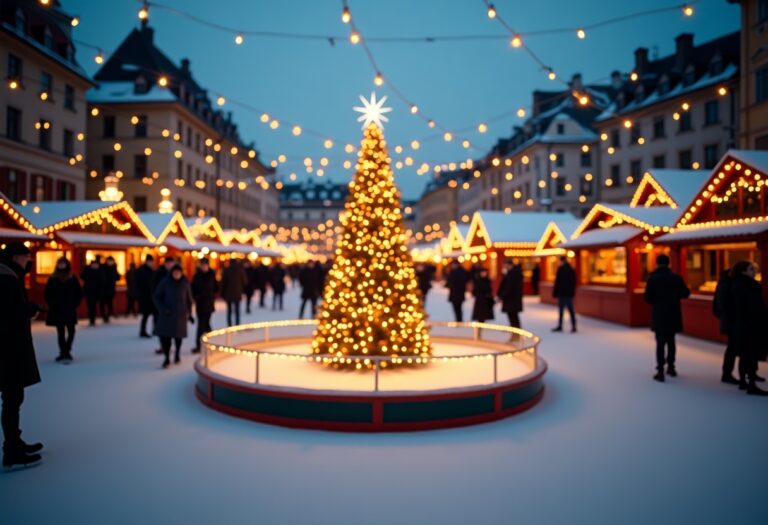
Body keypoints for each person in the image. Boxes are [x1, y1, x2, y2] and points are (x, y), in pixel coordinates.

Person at [0, 243, 44, 469]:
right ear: (17, 257)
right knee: (12, 398)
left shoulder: (9, 275)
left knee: (12, 398)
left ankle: (15, 443)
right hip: (9, 348)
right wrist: (27, 310)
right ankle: (12, 450)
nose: (29, 261)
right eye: (27, 257)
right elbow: (6, 314)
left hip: (10, 346)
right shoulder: (7, 278)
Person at [643, 254, 691, 382]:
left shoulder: (653, 279)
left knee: (660, 343)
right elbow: (686, 293)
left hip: (659, 315)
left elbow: (648, 298)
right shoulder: (676, 278)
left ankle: (660, 370)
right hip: (673, 314)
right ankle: (671, 367)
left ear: (657, 263)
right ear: (669, 263)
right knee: (671, 342)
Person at [726, 261, 768, 396]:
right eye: (751, 269)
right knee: (750, 354)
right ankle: (751, 384)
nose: (754, 271)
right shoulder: (747, 286)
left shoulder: (736, 284)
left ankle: (744, 381)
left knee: (745, 354)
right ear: (743, 271)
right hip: (750, 324)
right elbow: (752, 306)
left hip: (742, 324)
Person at [153, 264, 193, 368]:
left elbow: (189, 300)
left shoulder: (185, 283)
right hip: (167, 315)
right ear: (171, 273)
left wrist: (190, 314)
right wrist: (163, 309)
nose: (177, 275)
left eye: (178, 273)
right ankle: (167, 358)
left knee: (178, 338)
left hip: (180, 316)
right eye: (175, 273)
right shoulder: (165, 283)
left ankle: (177, 354)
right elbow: (157, 297)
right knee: (166, 338)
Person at [44, 257, 83, 363]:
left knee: (71, 331)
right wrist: (52, 304)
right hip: (57, 309)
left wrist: (74, 304)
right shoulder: (53, 278)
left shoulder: (72, 277)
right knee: (60, 332)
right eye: (59, 264)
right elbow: (47, 293)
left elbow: (79, 292)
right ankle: (63, 352)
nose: (61, 266)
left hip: (69, 308)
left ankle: (67, 350)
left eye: (63, 264)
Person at [713, 269, 741, 384]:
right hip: (732, 320)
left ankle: (728, 372)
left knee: (733, 347)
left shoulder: (724, 284)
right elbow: (724, 304)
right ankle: (727, 373)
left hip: (730, 320)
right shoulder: (726, 285)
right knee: (732, 347)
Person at [191, 258, 217, 354]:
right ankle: (203, 344)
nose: (203, 267)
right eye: (202, 265)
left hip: (209, 303)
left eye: (205, 265)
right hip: (200, 304)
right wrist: (196, 296)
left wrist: (211, 294)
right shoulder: (197, 276)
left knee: (205, 324)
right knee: (202, 325)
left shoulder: (212, 275)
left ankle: (211, 343)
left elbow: (216, 287)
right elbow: (192, 288)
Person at [497, 259, 523, 339]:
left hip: (512, 299)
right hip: (511, 299)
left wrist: (502, 296)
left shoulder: (513, 274)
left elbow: (509, 287)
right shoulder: (511, 273)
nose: (504, 267)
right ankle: (514, 333)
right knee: (512, 316)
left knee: (513, 317)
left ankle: (516, 335)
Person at [552, 256, 577, 333]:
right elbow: (574, 283)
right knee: (570, 310)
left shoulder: (561, 270)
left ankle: (561, 326)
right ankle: (573, 326)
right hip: (568, 294)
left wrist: (555, 292)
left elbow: (557, 282)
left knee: (562, 310)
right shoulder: (571, 269)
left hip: (562, 293)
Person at [220, 258, 247, 326]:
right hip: (237, 292)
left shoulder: (226, 269)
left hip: (228, 293)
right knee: (237, 310)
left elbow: (223, 282)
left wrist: (222, 292)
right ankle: (237, 324)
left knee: (229, 310)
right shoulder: (240, 269)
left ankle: (229, 324)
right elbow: (244, 281)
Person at [80, 257, 105, 326]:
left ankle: (98, 317)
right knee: (91, 306)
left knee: (97, 306)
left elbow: (102, 282)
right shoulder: (87, 270)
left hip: (97, 292)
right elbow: (82, 276)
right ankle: (91, 319)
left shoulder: (100, 271)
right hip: (89, 292)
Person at [136, 255, 156, 338]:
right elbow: (139, 285)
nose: (151, 263)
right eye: (149, 261)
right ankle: (143, 331)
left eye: (152, 262)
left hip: (152, 296)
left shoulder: (153, 271)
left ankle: (155, 330)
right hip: (144, 297)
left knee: (155, 314)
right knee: (146, 315)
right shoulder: (141, 271)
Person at [100, 256, 120, 323]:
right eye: (109, 261)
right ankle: (104, 316)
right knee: (102, 304)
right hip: (103, 289)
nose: (110, 262)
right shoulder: (102, 268)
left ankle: (107, 316)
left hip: (111, 289)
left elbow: (117, 277)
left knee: (109, 304)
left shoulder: (114, 268)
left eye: (111, 261)